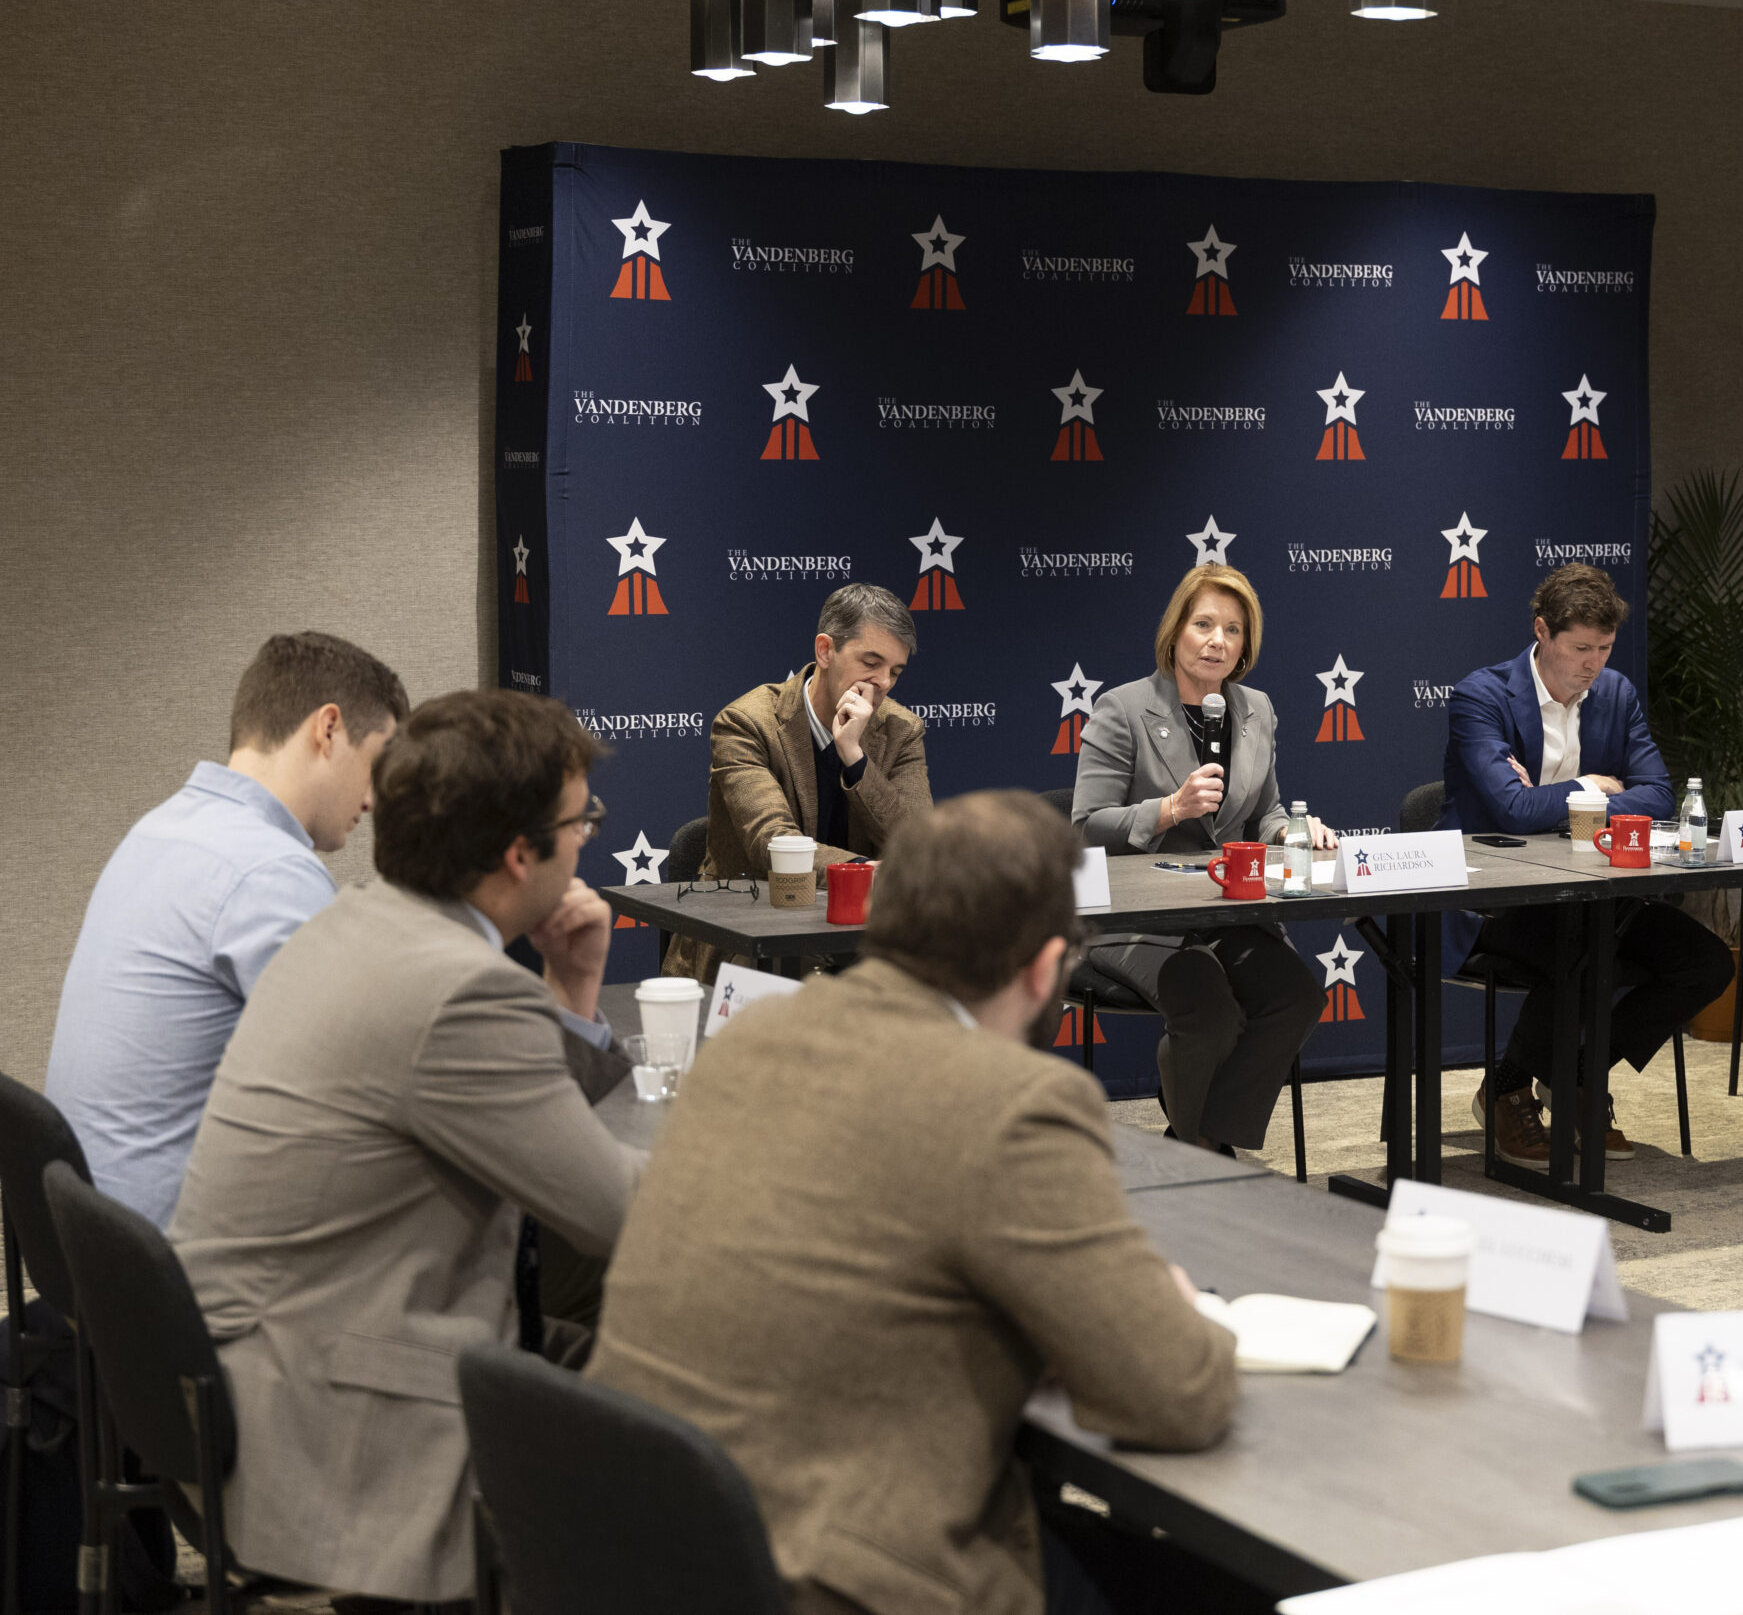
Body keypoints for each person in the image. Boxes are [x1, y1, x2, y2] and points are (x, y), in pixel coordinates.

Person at [587, 791, 1237, 1615]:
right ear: (1046, 967)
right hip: (832, 1579)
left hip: (640, 1549)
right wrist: (1175, 1309)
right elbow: (1176, 1392)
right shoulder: (1012, 1098)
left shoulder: (748, 1035)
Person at [170, 690, 644, 1607]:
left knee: (596, 1352)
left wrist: (572, 982)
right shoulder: (459, 989)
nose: (587, 838)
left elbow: (516, 1122)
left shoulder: (357, 921)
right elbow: (617, 1214)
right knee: (674, 1411)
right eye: (580, 821)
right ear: (520, 853)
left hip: (257, 1364)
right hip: (326, 1416)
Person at [47, 632, 409, 1227]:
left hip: (92, 1244)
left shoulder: (161, 828)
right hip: (169, 1259)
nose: (373, 800)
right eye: (377, 764)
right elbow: (368, 1088)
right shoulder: (270, 870)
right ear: (328, 729)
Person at [1439, 562, 1732, 1168]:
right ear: (1542, 632)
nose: (1593, 664)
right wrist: (1593, 785)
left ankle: (1569, 1074)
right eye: (1580, 649)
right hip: (1494, 897)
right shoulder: (1482, 696)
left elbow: (1658, 796)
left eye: (1604, 648)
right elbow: (1511, 812)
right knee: (1584, 949)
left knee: (1704, 962)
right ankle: (1512, 1092)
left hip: (1594, 891)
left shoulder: (1616, 694)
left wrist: (1559, 800)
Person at [1072, 565, 1329, 1154]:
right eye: (1204, 624)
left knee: (1296, 997)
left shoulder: (1256, 708)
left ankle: (1200, 1140)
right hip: (1134, 917)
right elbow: (1084, 828)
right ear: (1176, 631)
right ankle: (1202, 1154)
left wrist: (1295, 830)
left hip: (1225, 909)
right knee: (1210, 1015)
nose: (1218, 641)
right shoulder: (1123, 708)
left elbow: (1265, 812)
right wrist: (1169, 809)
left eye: (1233, 630)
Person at [665, 582, 932, 979]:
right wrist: (863, 874)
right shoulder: (746, 723)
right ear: (825, 650)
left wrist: (854, 758)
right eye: (870, 663)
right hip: (753, 938)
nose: (884, 683)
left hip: (860, 945)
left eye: (895, 671)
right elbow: (773, 842)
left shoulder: (901, 729)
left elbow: (918, 842)